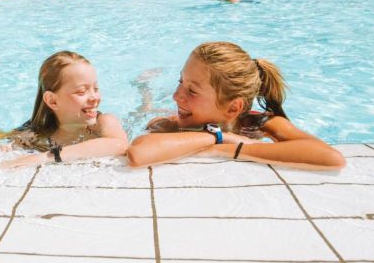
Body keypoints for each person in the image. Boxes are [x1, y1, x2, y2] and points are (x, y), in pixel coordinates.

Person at [126, 42, 345, 169]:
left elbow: (331, 157)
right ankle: (144, 91)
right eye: (180, 81)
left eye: (191, 90)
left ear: (233, 108)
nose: (176, 95)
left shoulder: (260, 123)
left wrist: (233, 148)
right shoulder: (171, 125)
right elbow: (139, 153)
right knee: (148, 110)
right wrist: (217, 137)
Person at [2, 51, 128, 167]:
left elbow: (119, 145)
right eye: (82, 91)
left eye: (96, 89)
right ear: (52, 100)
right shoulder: (34, 135)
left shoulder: (104, 122)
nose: (95, 97)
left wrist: (48, 156)